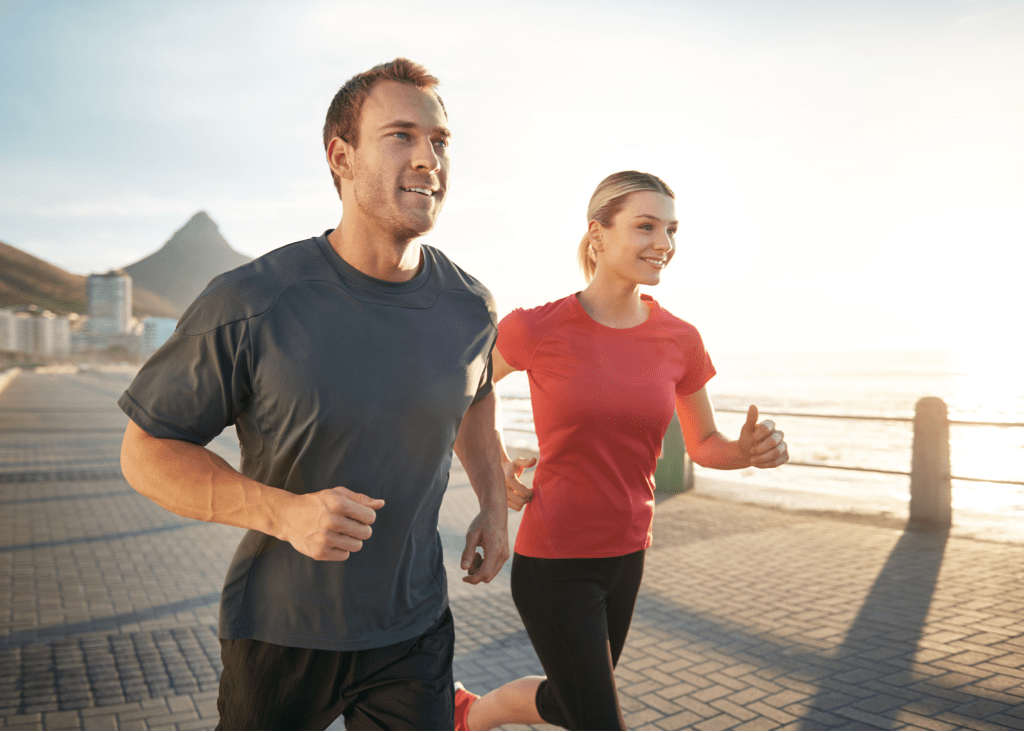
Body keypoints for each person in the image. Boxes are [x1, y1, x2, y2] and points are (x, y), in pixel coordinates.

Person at [118, 58, 510, 731]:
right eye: (401, 135)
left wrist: (495, 507)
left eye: (440, 141)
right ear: (341, 156)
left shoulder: (470, 306)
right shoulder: (253, 301)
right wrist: (285, 514)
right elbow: (146, 454)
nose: (428, 158)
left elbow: (477, 399)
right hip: (281, 632)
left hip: (415, 630)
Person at [453, 171, 790, 731]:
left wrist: (748, 451)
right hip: (554, 560)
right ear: (598, 234)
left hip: (628, 555)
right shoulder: (536, 328)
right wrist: (498, 467)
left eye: (671, 230)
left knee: (572, 702)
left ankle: (467, 713)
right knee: (598, 719)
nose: (664, 243)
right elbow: (463, 394)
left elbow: (705, 445)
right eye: (646, 226)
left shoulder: (681, 339)